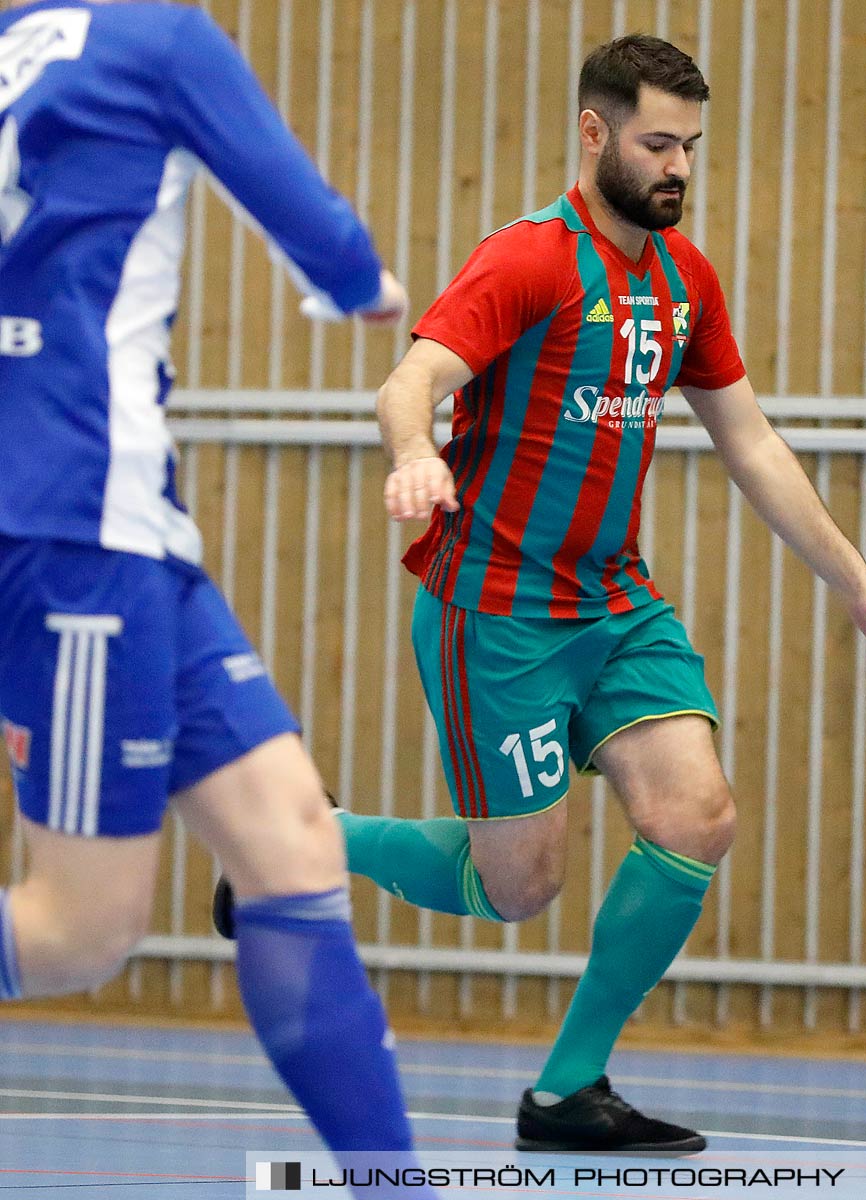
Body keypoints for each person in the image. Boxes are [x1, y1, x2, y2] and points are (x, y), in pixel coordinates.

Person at [221, 33, 866, 1154]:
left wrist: (862, 592)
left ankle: (565, 1092)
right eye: (658, 143)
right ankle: (294, 845)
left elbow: (749, 443)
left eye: (692, 147)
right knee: (516, 889)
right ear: (595, 132)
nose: (678, 169)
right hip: (497, 610)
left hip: (613, 607)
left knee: (696, 817)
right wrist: (415, 453)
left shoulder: (684, 281)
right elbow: (409, 380)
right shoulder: (529, 261)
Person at [0, 3, 438, 1191]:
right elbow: (326, 241)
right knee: (78, 930)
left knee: (292, 844)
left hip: (110, 523)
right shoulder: (155, 38)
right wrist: (364, 281)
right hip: (79, 523)